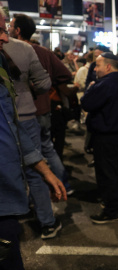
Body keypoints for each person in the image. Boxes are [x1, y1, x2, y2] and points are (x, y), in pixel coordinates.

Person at [0, 8, 67, 268]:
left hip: (7, 198)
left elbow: (10, 123)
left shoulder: (3, 64)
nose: (5, 38)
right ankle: (47, 221)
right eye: (0, 30)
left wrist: (45, 171)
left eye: (6, 29)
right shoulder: (27, 51)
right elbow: (45, 83)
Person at [8, 13, 75, 196]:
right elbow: (65, 75)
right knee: (47, 149)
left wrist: (38, 87)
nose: (7, 30)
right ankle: (64, 185)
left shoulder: (15, 50)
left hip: (26, 113)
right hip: (44, 110)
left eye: (10, 26)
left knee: (31, 157)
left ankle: (41, 200)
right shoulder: (44, 52)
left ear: (18, 30)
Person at [81, 52, 118, 224]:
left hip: (105, 136)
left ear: (108, 66)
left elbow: (86, 103)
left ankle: (111, 210)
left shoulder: (105, 84)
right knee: (117, 172)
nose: (95, 69)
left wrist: (90, 88)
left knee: (107, 174)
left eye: (97, 65)